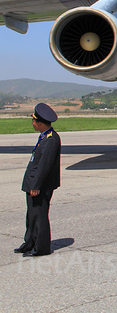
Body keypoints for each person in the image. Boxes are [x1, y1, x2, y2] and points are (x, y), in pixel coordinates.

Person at [16, 103, 61, 257]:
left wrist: (36, 185)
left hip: (40, 185)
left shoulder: (51, 140)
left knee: (39, 216)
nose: (33, 123)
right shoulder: (44, 136)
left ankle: (41, 248)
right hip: (33, 183)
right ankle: (29, 243)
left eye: (34, 121)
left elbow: (45, 166)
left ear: (40, 123)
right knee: (32, 215)